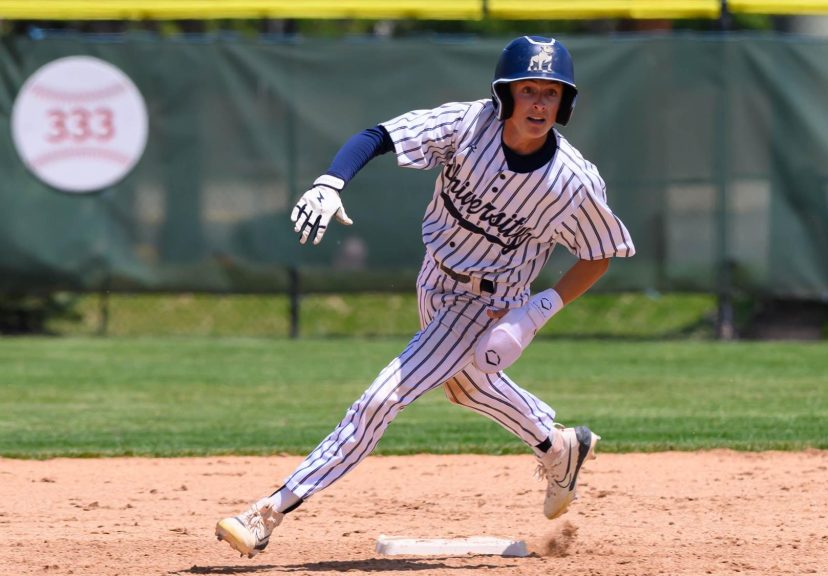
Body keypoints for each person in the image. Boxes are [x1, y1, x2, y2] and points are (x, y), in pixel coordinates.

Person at [214, 36, 635, 558]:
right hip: (435, 278)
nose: (539, 104)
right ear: (506, 95)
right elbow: (379, 135)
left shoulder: (571, 183)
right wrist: (331, 181)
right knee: (464, 388)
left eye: (551, 93)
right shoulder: (469, 126)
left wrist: (534, 313)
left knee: (380, 400)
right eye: (528, 90)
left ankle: (267, 513)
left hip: (487, 302)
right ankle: (558, 445)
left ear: (565, 103)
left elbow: (601, 252)